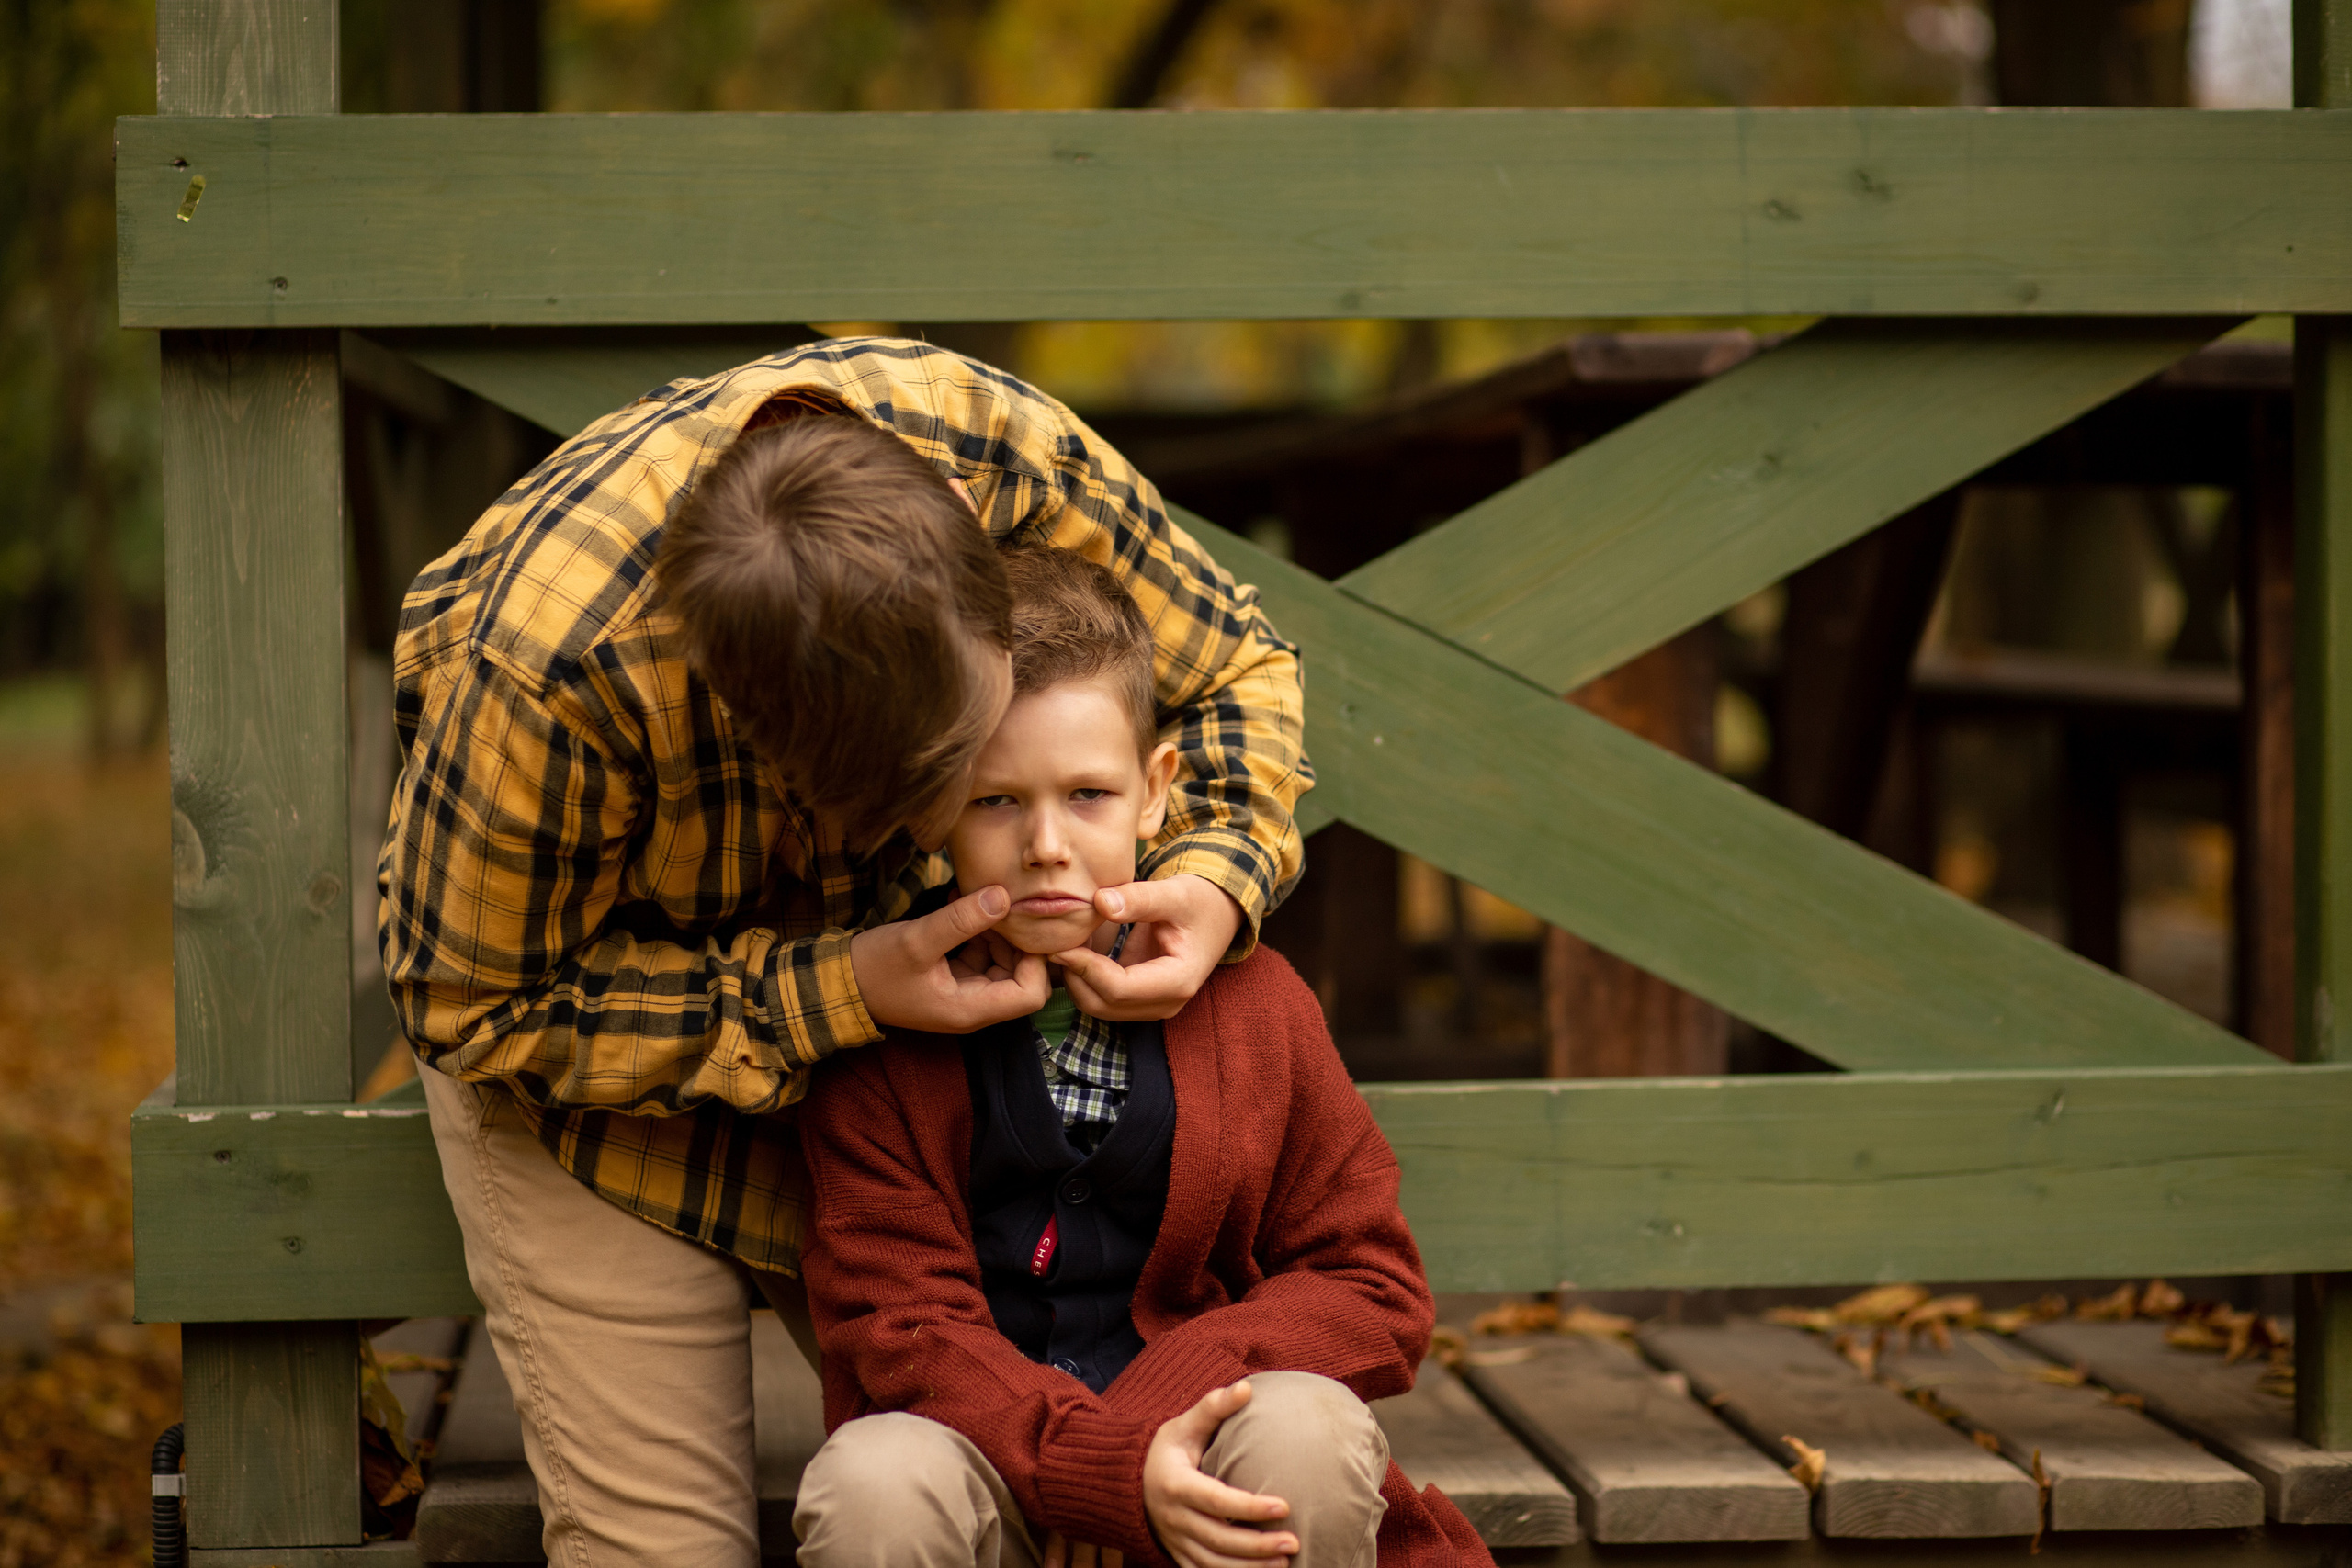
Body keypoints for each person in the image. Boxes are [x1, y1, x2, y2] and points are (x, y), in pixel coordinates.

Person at [379, 339, 1310, 1566]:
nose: (1000, 831)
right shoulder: (544, 678)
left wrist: (1212, 874)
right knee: (664, 1549)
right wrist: (839, 987)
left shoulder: (998, 452)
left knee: (1047, 1478)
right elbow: (474, 1001)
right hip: (598, 1085)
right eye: (953, 792)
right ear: (777, 756)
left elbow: (1236, 665)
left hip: (919, 1091)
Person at [791, 547, 1488, 1568]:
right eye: (994, 801)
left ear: (1155, 790)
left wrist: (1163, 1409)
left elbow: (1370, 1284)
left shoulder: (1258, 1005)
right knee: (871, 1482)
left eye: (1086, 795)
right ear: (932, 804)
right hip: (982, 1458)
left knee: (1307, 1425)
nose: (1044, 845)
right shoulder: (882, 1037)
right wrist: (1097, 1464)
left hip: (1211, 1453)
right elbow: (897, 1326)